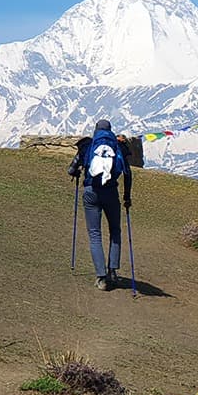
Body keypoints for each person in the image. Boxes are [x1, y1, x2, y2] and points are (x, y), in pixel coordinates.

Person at [67, 119, 132, 290]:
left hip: (91, 192)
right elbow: (127, 173)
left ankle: (101, 277)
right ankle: (113, 272)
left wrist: (79, 170)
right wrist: (127, 197)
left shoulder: (87, 145)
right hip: (111, 192)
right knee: (115, 231)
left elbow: (71, 169)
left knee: (95, 234)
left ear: (95, 130)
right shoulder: (119, 147)